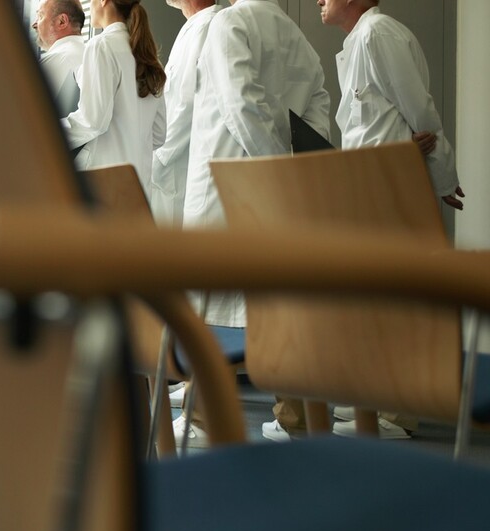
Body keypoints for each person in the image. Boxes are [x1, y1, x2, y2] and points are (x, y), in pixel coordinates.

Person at [278, 0, 465, 441]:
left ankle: (398, 413)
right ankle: (379, 398)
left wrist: (442, 177)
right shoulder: (361, 39)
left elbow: (421, 115)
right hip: (373, 181)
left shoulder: (378, 34)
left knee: (394, 297)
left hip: (392, 182)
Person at [173, 0, 331, 447]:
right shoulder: (296, 37)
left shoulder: (228, 22)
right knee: (280, 302)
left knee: (210, 303)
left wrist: (272, 169)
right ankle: (294, 419)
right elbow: (318, 108)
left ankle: (202, 420)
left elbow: (239, 104)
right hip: (281, 191)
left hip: (230, 183)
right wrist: (290, 167)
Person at [62, 0, 167, 196]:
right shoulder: (149, 57)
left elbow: (93, 121)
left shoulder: (101, 46)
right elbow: (159, 134)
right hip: (140, 188)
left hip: (105, 185)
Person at [149, 0, 222, 228]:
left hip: (177, 166)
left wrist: (160, 158)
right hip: (171, 165)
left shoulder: (208, 25)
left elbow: (187, 104)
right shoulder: (194, 26)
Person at [32, 0, 87, 113]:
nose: (34, 24)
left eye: (40, 16)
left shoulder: (57, 59)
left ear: (62, 21)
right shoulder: (89, 55)